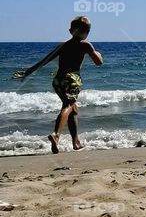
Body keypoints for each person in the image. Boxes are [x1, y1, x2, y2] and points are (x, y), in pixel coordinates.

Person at [13, 15, 104, 153]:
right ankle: (56, 135)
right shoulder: (85, 44)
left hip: (58, 80)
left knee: (73, 109)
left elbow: (45, 60)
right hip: (72, 79)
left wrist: (28, 71)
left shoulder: (63, 46)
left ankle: (76, 143)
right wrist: (96, 52)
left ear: (70, 31)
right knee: (68, 106)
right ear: (87, 32)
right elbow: (99, 62)